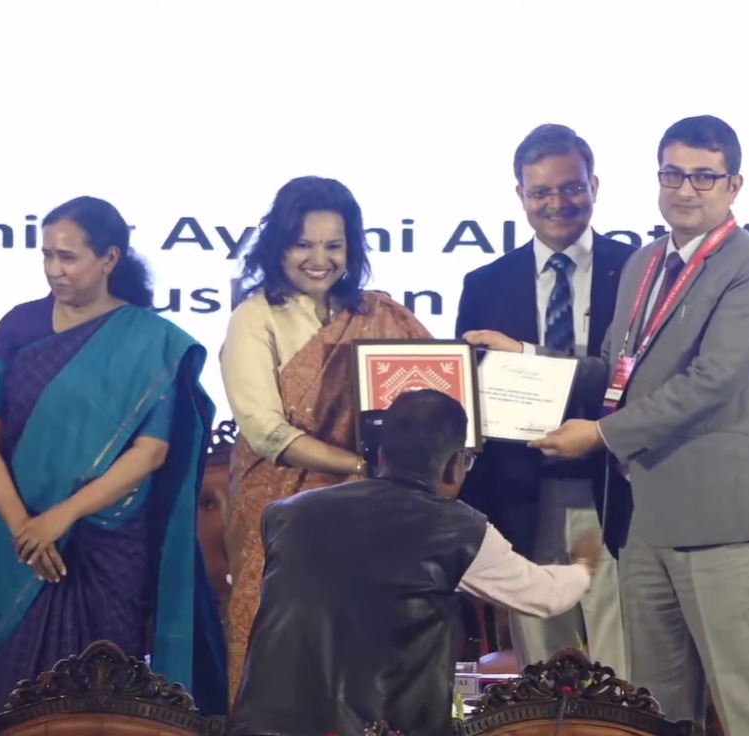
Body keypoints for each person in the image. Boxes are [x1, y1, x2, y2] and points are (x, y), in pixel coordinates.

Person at [466, 115, 749, 734]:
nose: (685, 189)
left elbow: (708, 383)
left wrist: (600, 435)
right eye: (673, 174)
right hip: (642, 520)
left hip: (718, 520)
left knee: (746, 700)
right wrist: (526, 357)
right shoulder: (645, 264)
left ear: (734, 185)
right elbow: (612, 371)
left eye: (703, 176)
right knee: (655, 708)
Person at [0, 196, 226, 714]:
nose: (54, 270)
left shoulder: (150, 342)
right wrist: (24, 526)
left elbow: (151, 453)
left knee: (105, 695)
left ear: (109, 258)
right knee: (11, 697)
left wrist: (62, 515)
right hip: (21, 541)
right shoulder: (17, 326)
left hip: (111, 542)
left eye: (67, 257)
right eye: (46, 255)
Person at [227, 389, 601, 736]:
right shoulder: (457, 528)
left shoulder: (285, 514)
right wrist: (583, 566)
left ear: (381, 455)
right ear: (455, 466)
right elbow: (544, 596)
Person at [220, 176, 432, 702]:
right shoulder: (255, 318)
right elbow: (266, 431)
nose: (320, 259)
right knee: (282, 660)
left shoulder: (378, 315)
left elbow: (435, 390)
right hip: (284, 515)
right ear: (279, 247)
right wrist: (361, 468)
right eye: (303, 244)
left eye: (334, 245)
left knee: (364, 661)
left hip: (373, 516)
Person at [454, 123, 633, 674]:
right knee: (541, 672)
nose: (558, 203)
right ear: (520, 195)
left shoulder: (637, 270)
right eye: (541, 192)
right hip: (522, 496)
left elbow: (643, 377)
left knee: (625, 670)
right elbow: (469, 400)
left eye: (571, 187)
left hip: (616, 491)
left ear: (594, 185)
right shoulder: (484, 283)